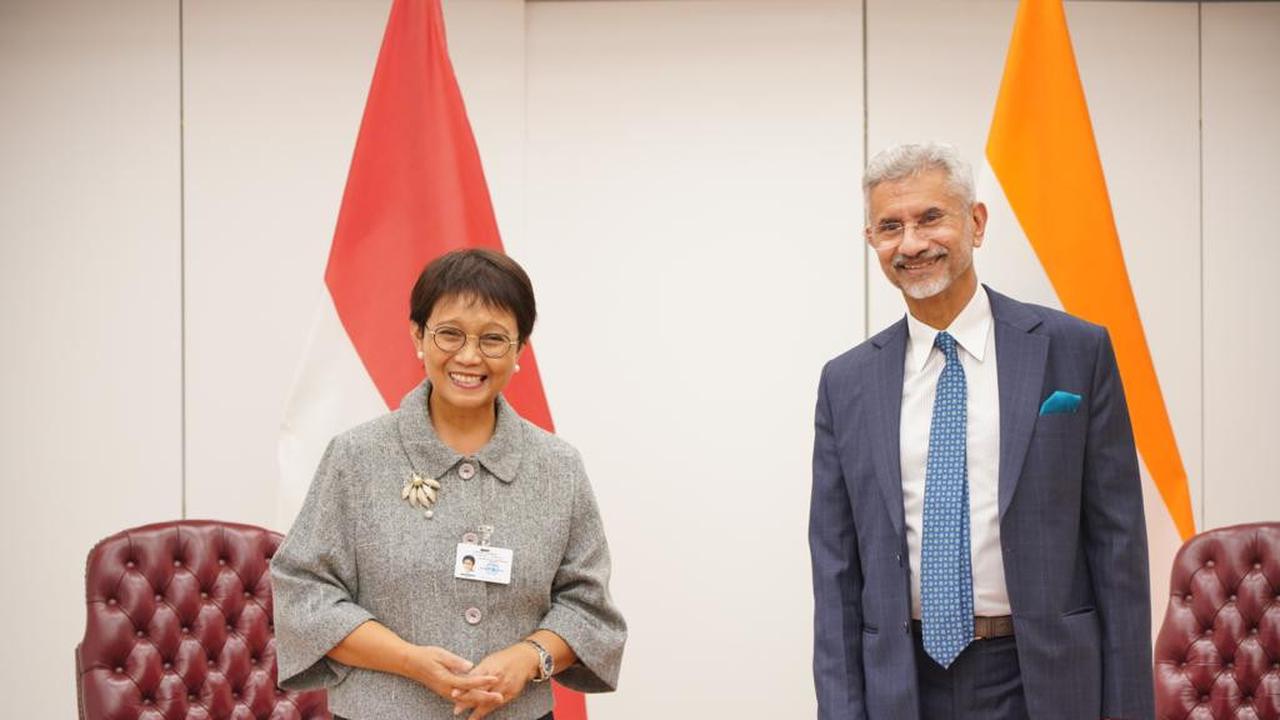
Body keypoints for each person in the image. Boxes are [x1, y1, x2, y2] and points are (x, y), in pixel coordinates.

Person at [808, 143, 1152, 719]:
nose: (912, 243)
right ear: (872, 241)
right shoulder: (846, 383)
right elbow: (836, 569)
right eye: (890, 226)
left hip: (1043, 679)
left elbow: (1118, 550)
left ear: (976, 221)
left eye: (930, 218)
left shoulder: (1075, 352)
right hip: (901, 684)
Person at [272, 249, 626, 720]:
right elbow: (304, 592)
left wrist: (528, 658)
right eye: (449, 334)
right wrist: (410, 661)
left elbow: (589, 609)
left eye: (494, 339)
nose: (469, 356)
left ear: (520, 349)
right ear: (418, 335)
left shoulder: (557, 468)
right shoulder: (356, 457)